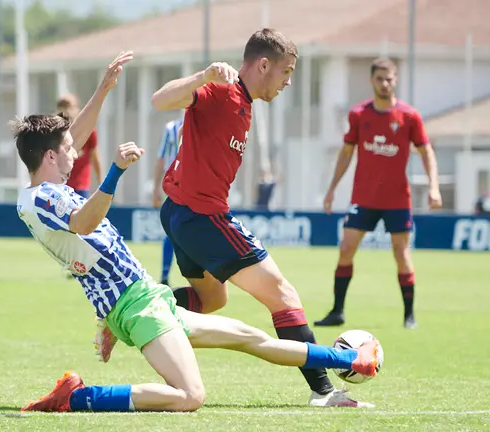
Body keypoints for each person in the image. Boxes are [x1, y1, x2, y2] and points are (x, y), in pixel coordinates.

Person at [12, 63, 380, 414]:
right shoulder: (44, 197)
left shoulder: (44, 185)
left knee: (252, 338)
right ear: (49, 155)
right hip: (134, 306)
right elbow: (83, 223)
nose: (75, 151)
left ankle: (347, 359)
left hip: (148, 297)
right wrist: (115, 173)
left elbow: (72, 138)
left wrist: (103, 90)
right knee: (190, 396)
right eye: (67, 149)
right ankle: (79, 398)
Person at [150, 28, 367, 408]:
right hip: (203, 216)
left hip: (181, 214)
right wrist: (203, 76)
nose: (288, 81)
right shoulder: (222, 89)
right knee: (283, 295)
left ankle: (135, 310)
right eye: (286, 72)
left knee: (211, 299)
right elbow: (159, 100)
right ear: (263, 64)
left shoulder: (245, 101)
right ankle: (324, 391)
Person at [315, 58, 442, 330]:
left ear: (395, 80)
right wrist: (332, 189)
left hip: (397, 199)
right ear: (372, 81)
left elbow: (426, 151)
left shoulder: (409, 116)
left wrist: (434, 186)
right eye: (380, 79)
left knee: (401, 253)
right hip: (363, 198)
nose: (385, 84)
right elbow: (347, 152)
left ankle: (409, 316)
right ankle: (337, 311)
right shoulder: (359, 115)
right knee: (346, 248)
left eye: (389, 79)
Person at [152, 118, 183, 286]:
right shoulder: (171, 127)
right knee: (171, 231)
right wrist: (156, 188)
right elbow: (161, 159)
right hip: (174, 185)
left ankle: (200, 279)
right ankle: (164, 276)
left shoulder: (205, 121)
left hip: (195, 187)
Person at [57, 93, 102, 199]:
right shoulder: (55, 133)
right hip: (60, 186)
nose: (66, 110)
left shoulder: (88, 132)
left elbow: (95, 158)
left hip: (80, 187)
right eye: (62, 105)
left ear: (77, 109)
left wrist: (101, 183)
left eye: (69, 106)